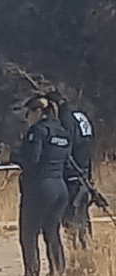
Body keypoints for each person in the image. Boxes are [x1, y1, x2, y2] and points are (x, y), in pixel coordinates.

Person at [11, 96, 72, 276]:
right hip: (60, 188)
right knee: (52, 233)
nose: (27, 118)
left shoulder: (37, 132)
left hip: (40, 188)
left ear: (38, 112)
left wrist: (16, 157)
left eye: (28, 114)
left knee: (28, 235)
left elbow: (32, 160)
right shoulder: (63, 132)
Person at [45, 90, 95, 249]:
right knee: (83, 218)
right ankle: (89, 254)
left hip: (72, 175)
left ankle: (78, 256)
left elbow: (66, 147)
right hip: (84, 173)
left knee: (72, 219)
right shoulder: (80, 116)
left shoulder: (65, 119)